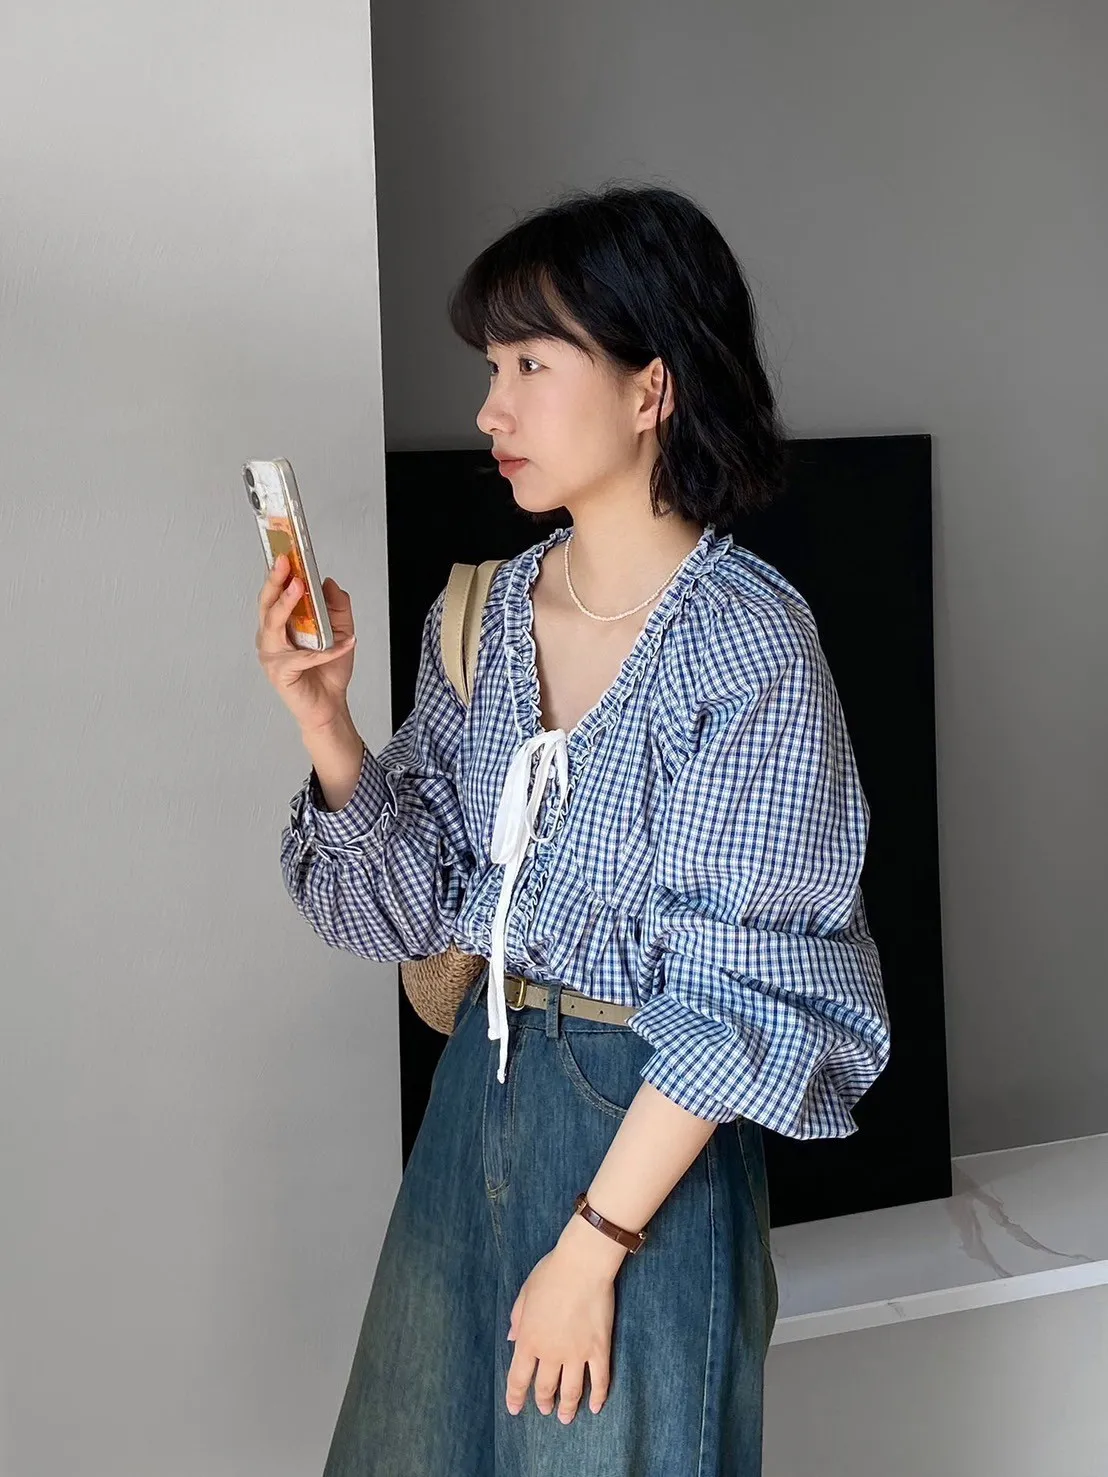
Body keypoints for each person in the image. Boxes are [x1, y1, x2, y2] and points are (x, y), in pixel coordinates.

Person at [256, 182, 892, 1476]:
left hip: (646, 1144)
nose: (491, 409)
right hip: (473, 1107)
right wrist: (327, 724)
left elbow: (751, 995)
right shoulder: (482, 614)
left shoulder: (748, 645)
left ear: (652, 388)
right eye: (491, 369)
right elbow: (410, 908)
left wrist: (593, 1246)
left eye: (532, 365)